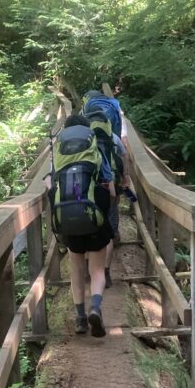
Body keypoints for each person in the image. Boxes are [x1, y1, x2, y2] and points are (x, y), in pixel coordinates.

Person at [47, 112, 115, 337]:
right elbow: (110, 188)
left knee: (76, 270)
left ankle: (80, 318)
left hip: (66, 218)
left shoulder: (58, 152)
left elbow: (50, 183)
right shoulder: (95, 149)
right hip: (93, 216)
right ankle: (95, 306)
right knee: (96, 269)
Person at [82, 88, 137, 288]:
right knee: (110, 228)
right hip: (111, 185)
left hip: (89, 189)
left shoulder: (85, 137)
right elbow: (125, 156)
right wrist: (126, 177)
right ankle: (105, 271)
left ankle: (90, 267)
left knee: (90, 225)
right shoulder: (112, 137)